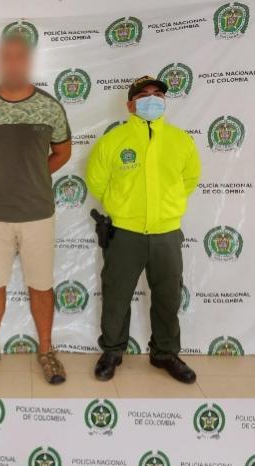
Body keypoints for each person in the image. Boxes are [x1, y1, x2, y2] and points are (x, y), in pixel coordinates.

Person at [0, 35, 72, 385]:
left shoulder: (50, 107)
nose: (13, 63)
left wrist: (32, 177)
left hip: (38, 213)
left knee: (41, 285)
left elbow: (63, 153)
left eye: (20, 56)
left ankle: (47, 351)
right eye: (6, 56)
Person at [87, 76, 201, 384]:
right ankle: (112, 351)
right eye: (143, 95)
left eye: (157, 94)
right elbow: (96, 181)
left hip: (166, 233)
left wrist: (166, 207)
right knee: (116, 296)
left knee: (167, 296)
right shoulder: (113, 140)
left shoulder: (180, 140)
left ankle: (164, 353)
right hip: (125, 233)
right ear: (130, 104)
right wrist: (121, 204)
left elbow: (189, 180)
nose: (152, 99)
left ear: (164, 101)